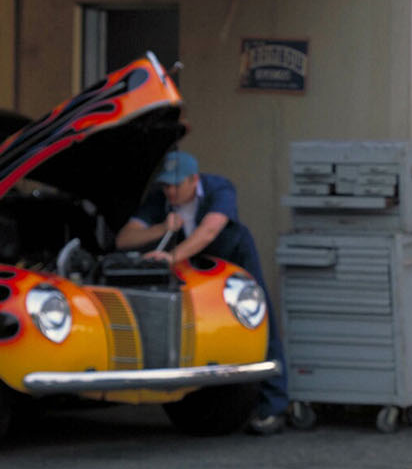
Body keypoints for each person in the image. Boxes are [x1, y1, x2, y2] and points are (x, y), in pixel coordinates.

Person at [116, 150, 292, 431]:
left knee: (257, 316)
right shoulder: (160, 199)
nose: (169, 192)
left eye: (175, 185)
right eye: (165, 186)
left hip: (230, 257)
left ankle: (274, 406)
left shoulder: (218, 188)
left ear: (193, 180)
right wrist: (161, 228)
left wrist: (172, 257)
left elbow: (210, 231)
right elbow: (125, 239)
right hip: (189, 265)